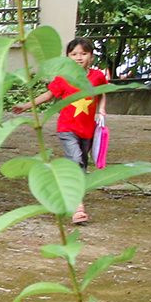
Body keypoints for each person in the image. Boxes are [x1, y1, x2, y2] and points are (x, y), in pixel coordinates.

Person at [48, 36, 109, 224]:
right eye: (74, 54)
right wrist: (28, 106)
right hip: (67, 128)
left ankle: (66, 190)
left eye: (83, 53)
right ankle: (78, 207)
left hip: (88, 130)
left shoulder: (97, 76)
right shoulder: (63, 77)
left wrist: (101, 109)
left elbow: (102, 93)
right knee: (75, 161)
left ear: (91, 56)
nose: (79, 57)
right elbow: (50, 94)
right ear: (68, 56)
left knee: (81, 164)